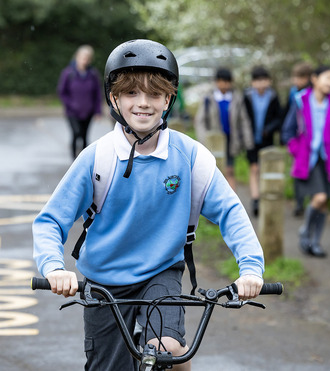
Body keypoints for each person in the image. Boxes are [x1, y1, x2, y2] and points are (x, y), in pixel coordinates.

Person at [33, 39, 265, 371]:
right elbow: (50, 221)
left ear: (169, 98)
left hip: (161, 273)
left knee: (169, 350)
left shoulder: (190, 157)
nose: (143, 104)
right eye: (131, 93)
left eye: (155, 94)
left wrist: (252, 268)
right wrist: (54, 268)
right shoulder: (97, 158)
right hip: (104, 282)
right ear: (114, 97)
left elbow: (231, 212)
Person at [282, 66, 330, 257]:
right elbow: (288, 131)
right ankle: (305, 232)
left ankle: (315, 242)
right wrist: (296, 150)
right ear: (314, 79)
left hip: (329, 159)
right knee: (320, 197)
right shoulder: (300, 100)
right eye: (327, 78)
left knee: (324, 202)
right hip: (308, 159)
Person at [236, 66, 282, 217]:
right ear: (252, 82)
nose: (261, 83)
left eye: (264, 80)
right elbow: (241, 118)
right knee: (254, 168)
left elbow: (278, 118)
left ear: (269, 81)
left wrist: (269, 128)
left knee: (264, 169)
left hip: (267, 139)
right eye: (257, 80)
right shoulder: (247, 96)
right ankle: (255, 199)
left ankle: (264, 197)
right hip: (251, 140)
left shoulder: (273, 97)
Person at [194, 67, 239, 190]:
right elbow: (200, 121)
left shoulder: (236, 98)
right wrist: (204, 140)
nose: (224, 84)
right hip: (213, 142)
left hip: (230, 140)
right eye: (221, 81)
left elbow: (243, 120)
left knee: (230, 170)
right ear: (217, 81)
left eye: (227, 81)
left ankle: (231, 200)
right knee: (214, 172)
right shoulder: (208, 98)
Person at [57, 45, 103, 159]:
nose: (85, 60)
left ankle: (83, 160)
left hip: (88, 111)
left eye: (87, 58)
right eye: (83, 57)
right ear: (77, 57)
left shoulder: (93, 74)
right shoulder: (68, 73)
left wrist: (98, 111)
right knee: (76, 133)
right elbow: (62, 92)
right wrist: (71, 104)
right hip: (72, 112)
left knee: (84, 136)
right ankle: (73, 160)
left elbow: (98, 93)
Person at [284, 62, 313, 217]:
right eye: (295, 77)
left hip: (309, 139)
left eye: (300, 77)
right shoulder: (293, 93)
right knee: (297, 172)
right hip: (297, 139)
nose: (296, 80)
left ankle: (308, 203)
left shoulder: (312, 93)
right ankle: (299, 203)